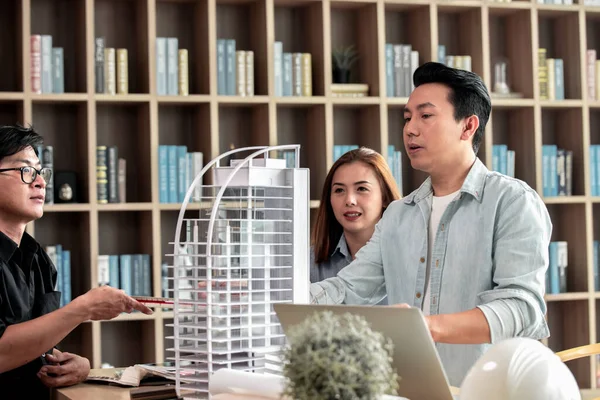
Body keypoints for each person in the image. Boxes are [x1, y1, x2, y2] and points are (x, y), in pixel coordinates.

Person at [309, 62, 552, 387]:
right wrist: (261, 296)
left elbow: (522, 307)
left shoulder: (512, 202)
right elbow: (349, 288)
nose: (410, 129)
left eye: (425, 116)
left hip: (487, 390)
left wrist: (429, 327)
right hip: (407, 389)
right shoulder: (397, 215)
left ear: (467, 127)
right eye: (407, 117)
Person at [0, 124, 153, 398]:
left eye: (40, 171)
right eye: (25, 171)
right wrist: (82, 308)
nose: (41, 182)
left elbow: (35, 345)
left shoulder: (39, 259)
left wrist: (76, 367)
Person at [310, 147, 401, 306]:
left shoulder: (408, 257)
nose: (349, 200)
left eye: (361, 189)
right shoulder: (309, 262)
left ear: (384, 197)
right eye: (339, 190)